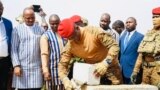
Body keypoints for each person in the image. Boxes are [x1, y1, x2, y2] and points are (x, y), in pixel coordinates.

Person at [57, 18, 122, 90]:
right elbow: (62, 65)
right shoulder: (70, 45)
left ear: (77, 27)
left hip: (111, 69)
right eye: (70, 38)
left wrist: (106, 63)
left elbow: (114, 46)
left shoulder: (94, 32)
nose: (74, 39)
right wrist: (64, 79)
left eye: (74, 35)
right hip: (92, 73)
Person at [11, 7, 44, 90]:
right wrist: (16, 66)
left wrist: (44, 66)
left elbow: (44, 49)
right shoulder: (17, 30)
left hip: (36, 69)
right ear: (23, 17)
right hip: (22, 69)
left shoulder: (41, 30)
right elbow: (13, 49)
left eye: (32, 17)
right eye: (28, 18)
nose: (30, 20)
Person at [131, 7, 160, 89]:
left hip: (157, 71)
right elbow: (140, 55)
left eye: (157, 17)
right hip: (146, 70)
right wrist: (135, 71)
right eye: (153, 17)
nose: (154, 20)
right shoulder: (148, 34)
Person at [40, 14, 66, 90]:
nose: (54, 25)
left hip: (63, 71)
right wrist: (45, 71)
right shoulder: (46, 36)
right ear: (49, 23)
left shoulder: (64, 34)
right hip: (51, 71)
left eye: (56, 23)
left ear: (60, 22)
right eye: (52, 24)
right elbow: (44, 54)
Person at [119, 17, 144, 84]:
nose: (128, 24)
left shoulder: (140, 37)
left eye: (130, 22)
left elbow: (141, 55)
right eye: (126, 22)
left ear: (135, 24)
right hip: (121, 69)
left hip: (133, 70)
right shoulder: (122, 37)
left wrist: (136, 70)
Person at [0, 1, 13, 90]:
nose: (0, 10)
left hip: (4, 61)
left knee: (3, 85)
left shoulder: (8, 23)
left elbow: (11, 42)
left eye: (1, 8)